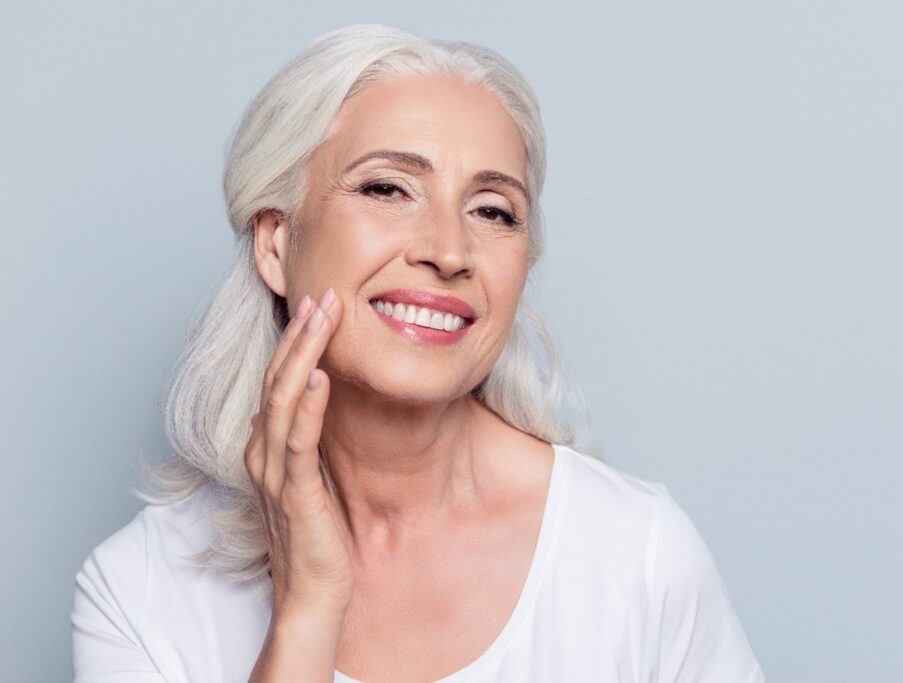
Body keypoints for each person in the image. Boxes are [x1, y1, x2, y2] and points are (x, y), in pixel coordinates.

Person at [70, 24, 765, 683]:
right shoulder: (139, 591)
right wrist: (308, 607)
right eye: (387, 188)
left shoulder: (637, 556)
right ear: (276, 243)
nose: (448, 250)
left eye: (493, 209)